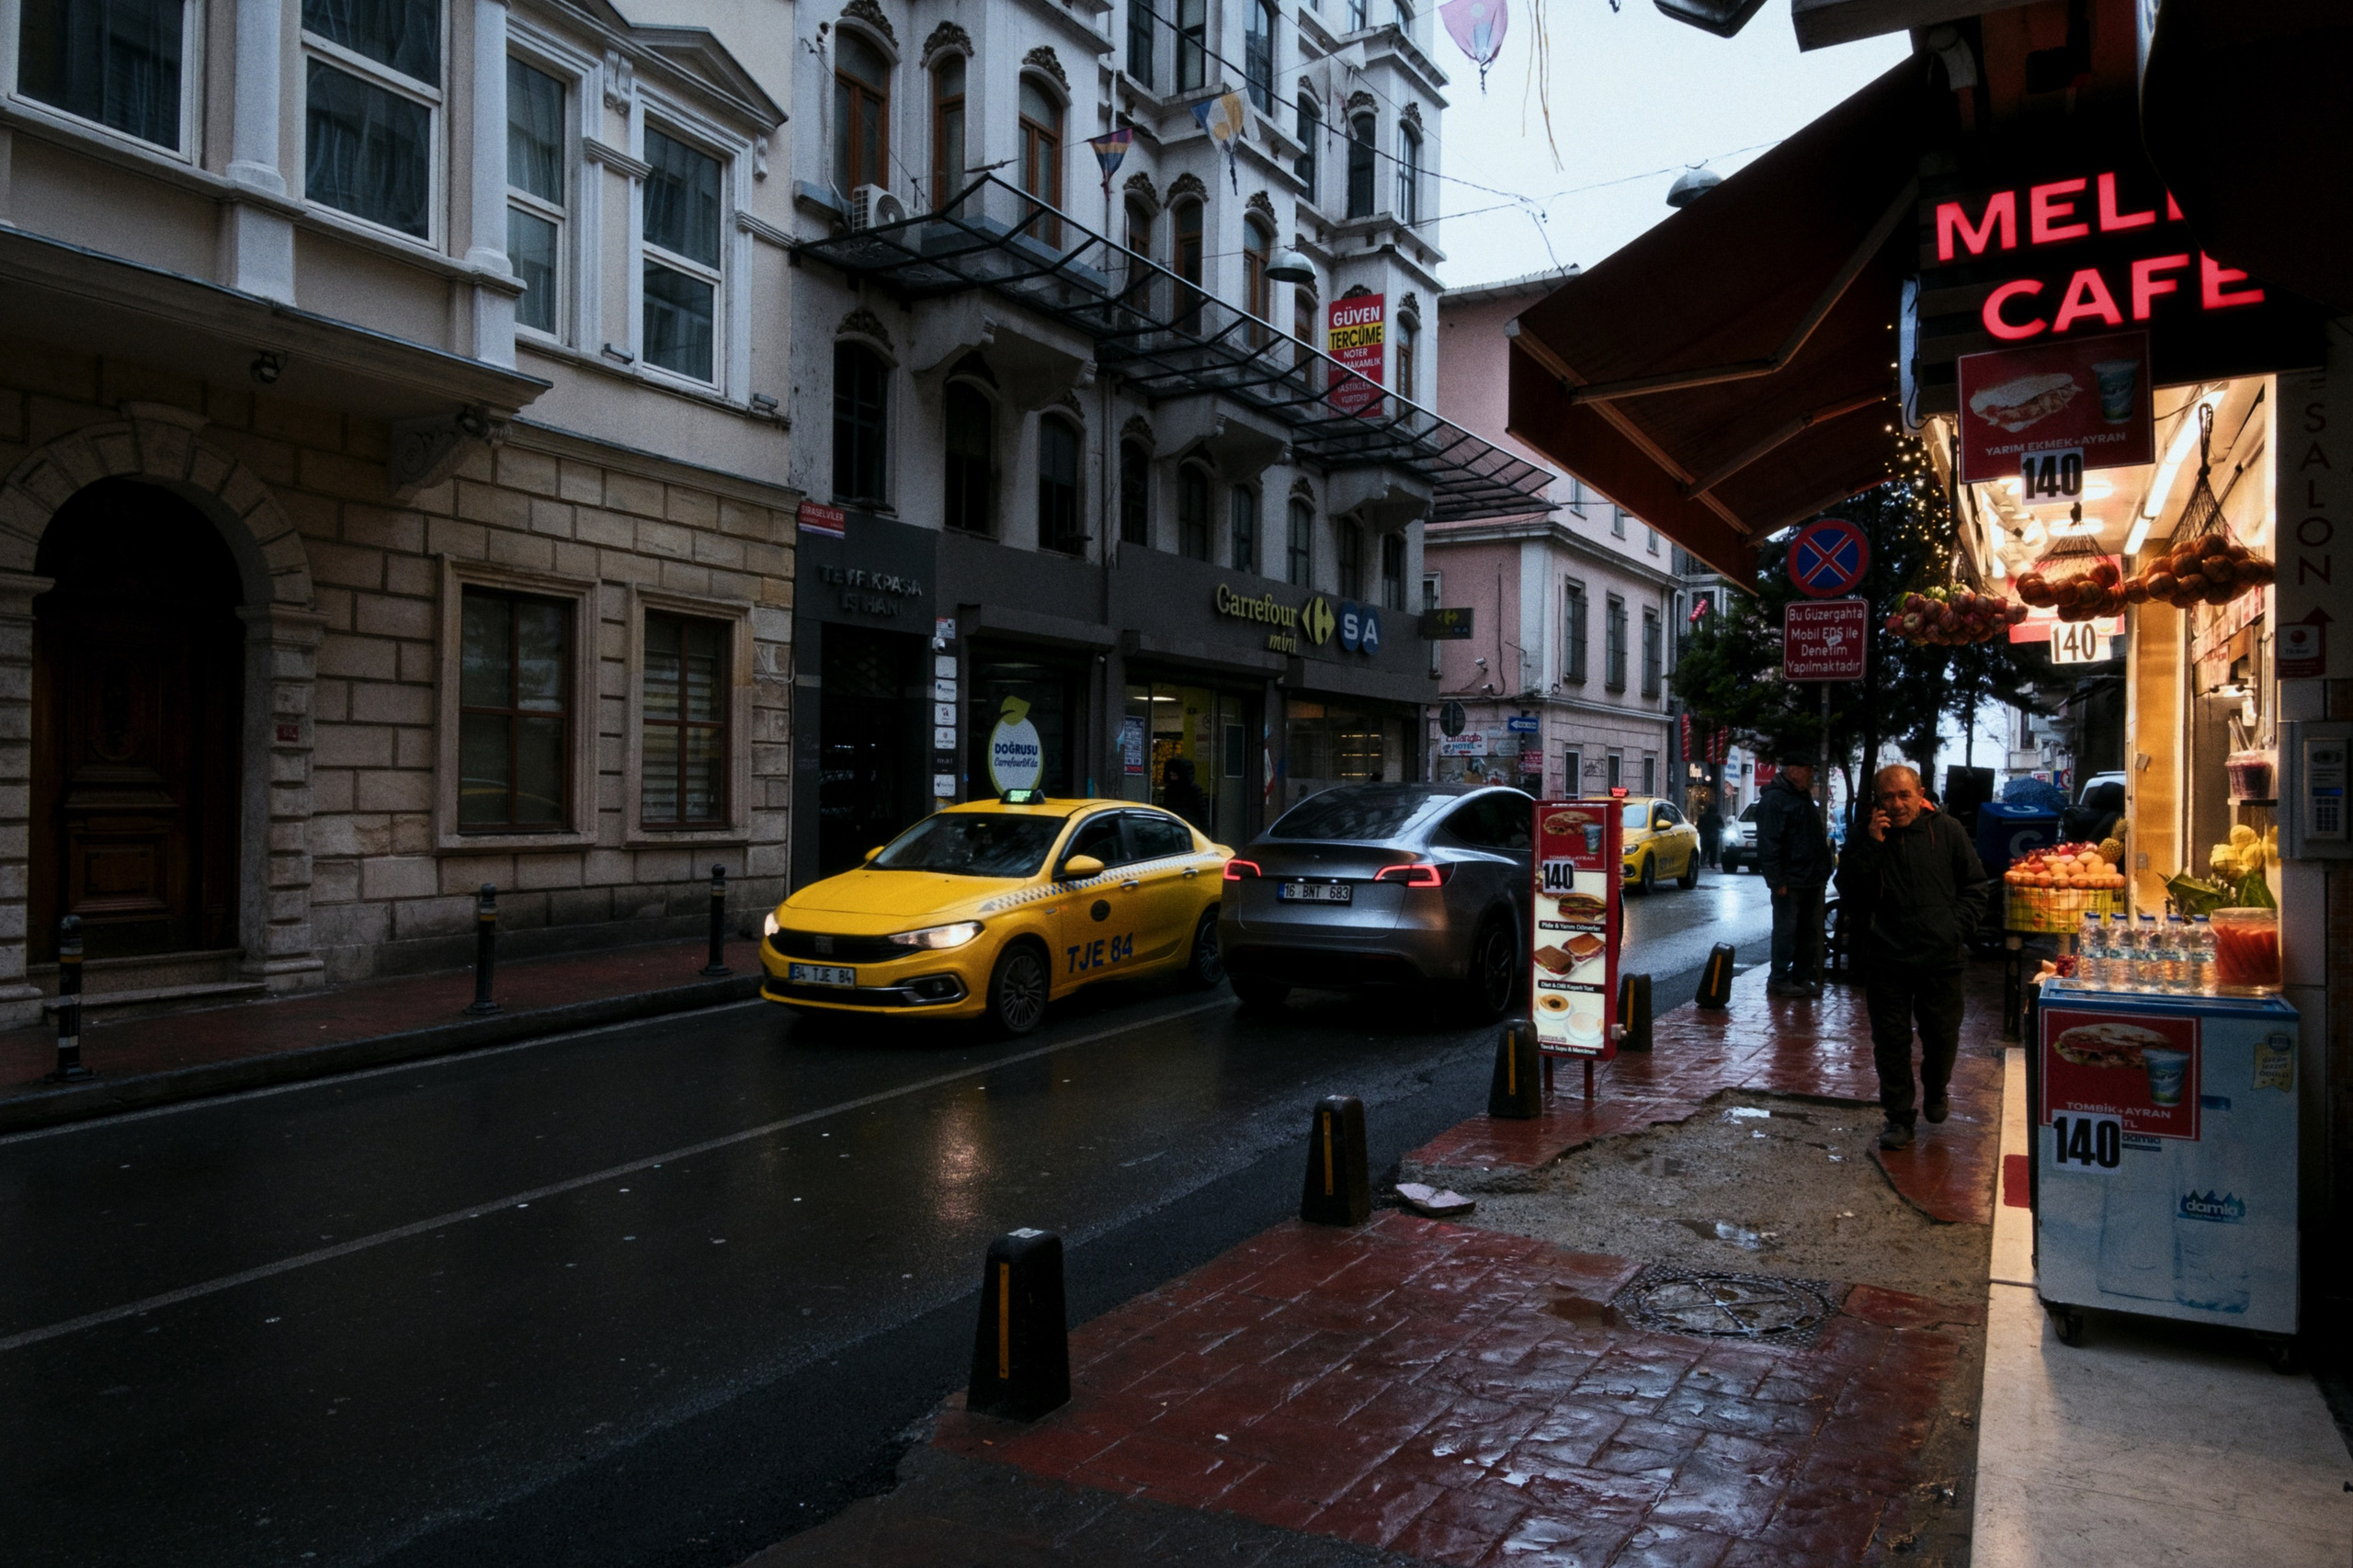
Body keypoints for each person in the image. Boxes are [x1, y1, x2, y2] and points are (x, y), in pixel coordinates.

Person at [1837, 764, 1990, 1152]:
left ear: (1920, 794)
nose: (1897, 804)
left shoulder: (1949, 831)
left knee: (1941, 1036)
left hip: (1942, 958)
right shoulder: (1864, 836)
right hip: (1887, 958)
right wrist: (1873, 843)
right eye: (1888, 797)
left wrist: (1955, 929)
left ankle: (1936, 1088)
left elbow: (1975, 886)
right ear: (1877, 801)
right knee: (1890, 1042)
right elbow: (1852, 893)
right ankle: (1899, 1117)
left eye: (1904, 795)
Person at [1754, 758, 1834, 998]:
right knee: (1787, 931)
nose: (1811, 774)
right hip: (1792, 879)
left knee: (1807, 931)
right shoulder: (1776, 800)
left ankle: (1801, 976)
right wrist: (1777, 880)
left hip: (1809, 878)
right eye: (1808, 768)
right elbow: (1769, 844)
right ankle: (1779, 978)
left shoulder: (1801, 796)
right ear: (1793, 770)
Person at [1160, 756, 1211, 832]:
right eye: (1171, 775)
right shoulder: (1171, 789)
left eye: (1174, 775)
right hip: (1182, 824)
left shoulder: (1192, 789)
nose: (1172, 778)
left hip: (1186, 825)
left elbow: (1202, 811)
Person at [1696, 801, 1722, 870]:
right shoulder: (1717, 817)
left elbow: (1698, 826)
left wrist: (1701, 831)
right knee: (1713, 852)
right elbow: (1722, 826)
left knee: (1704, 850)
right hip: (1714, 837)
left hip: (1704, 836)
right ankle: (1712, 864)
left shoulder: (1702, 817)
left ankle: (1702, 862)